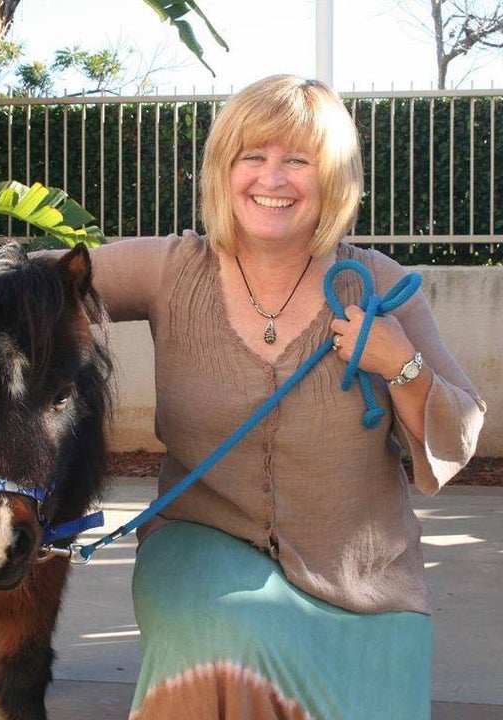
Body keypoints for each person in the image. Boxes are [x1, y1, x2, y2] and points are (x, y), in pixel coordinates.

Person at [81, 75, 486, 719]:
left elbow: (461, 430)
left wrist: (399, 363)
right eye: (254, 157)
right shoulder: (170, 269)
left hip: (365, 580)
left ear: (331, 180)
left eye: (298, 160)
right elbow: (37, 282)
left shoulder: (379, 282)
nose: (273, 179)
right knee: (229, 637)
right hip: (201, 544)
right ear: (225, 170)